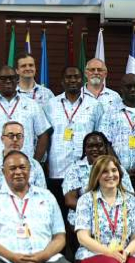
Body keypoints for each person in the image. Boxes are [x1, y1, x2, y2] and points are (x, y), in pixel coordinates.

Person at [0, 151, 75, 263]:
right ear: (3, 172)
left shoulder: (47, 197)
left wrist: (43, 256)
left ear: (30, 170)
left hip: (44, 259)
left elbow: (59, 237)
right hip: (3, 258)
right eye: (12, 168)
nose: (18, 172)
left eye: (22, 167)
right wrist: (13, 257)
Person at [0, 66, 50, 178]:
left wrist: (34, 164)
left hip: (24, 171)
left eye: (11, 78)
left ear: (17, 80)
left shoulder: (32, 105)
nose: (8, 81)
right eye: (3, 78)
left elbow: (43, 134)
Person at [72, 155, 135, 263]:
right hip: (93, 253)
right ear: (96, 176)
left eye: (114, 170)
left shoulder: (132, 201)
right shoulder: (85, 200)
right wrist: (109, 253)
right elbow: (82, 237)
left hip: (124, 253)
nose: (111, 175)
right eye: (104, 171)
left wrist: (126, 252)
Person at [44, 66, 105, 198]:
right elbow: (46, 137)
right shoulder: (50, 105)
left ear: (82, 80)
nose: (72, 80)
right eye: (68, 77)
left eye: (76, 77)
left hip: (85, 172)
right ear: (62, 81)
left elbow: (100, 137)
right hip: (57, 169)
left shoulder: (95, 105)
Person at [63, 132, 135, 208]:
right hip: (85, 214)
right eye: (90, 146)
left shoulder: (117, 168)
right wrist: (98, 211)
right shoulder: (74, 169)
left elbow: (129, 196)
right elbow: (70, 200)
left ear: (105, 148)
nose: (94, 149)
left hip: (115, 214)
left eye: (99, 146)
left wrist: (109, 210)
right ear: (85, 149)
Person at [0, 121, 47, 195]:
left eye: (19, 136)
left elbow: (42, 196)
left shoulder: (35, 165)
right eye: (10, 135)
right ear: (2, 138)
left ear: (23, 139)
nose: (15, 139)